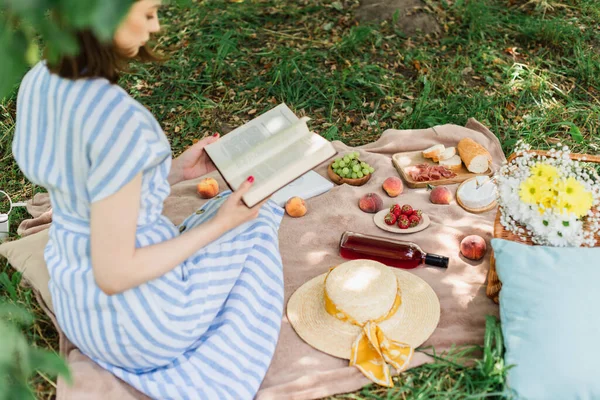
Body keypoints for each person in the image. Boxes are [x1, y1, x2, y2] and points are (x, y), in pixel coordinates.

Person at [11, 1, 285, 398]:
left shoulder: (40, 79)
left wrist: (172, 173)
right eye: (149, 13)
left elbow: (92, 180)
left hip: (78, 306)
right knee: (255, 223)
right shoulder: (121, 123)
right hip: (143, 330)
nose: (155, 27)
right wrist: (222, 225)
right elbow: (115, 273)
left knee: (219, 211)